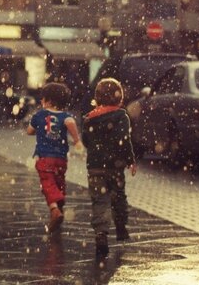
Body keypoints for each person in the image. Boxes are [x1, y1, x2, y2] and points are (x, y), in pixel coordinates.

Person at [82, 77, 137, 259]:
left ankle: (101, 235)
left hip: (95, 168)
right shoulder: (121, 116)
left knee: (99, 201)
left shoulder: (89, 118)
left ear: (97, 99)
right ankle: (121, 227)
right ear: (119, 98)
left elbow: (86, 141)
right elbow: (124, 141)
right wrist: (130, 160)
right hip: (115, 167)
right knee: (118, 196)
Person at [27, 82, 82, 233]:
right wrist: (77, 140)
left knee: (47, 183)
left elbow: (29, 131)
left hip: (44, 158)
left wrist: (36, 127)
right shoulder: (65, 116)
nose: (41, 102)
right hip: (61, 159)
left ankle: (55, 209)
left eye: (42, 99)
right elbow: (70, 123)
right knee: (59, 180)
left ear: (48, 101)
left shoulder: (39, 115)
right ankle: (60, 201)